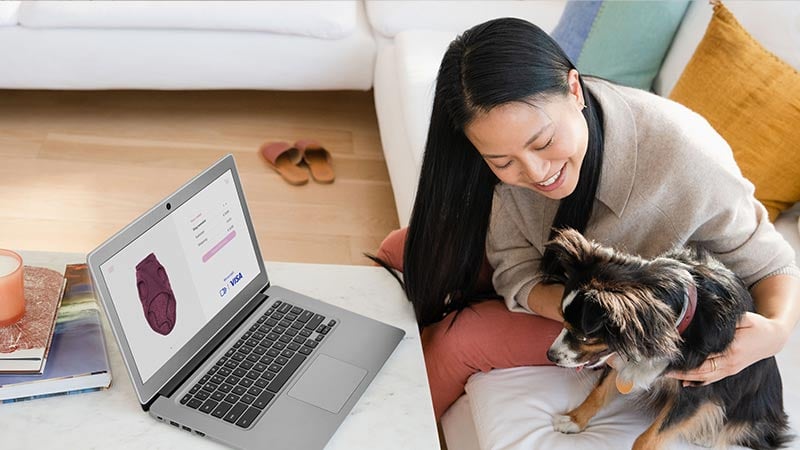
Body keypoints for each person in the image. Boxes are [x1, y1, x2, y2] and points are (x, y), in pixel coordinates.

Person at [374, 17, 800, 420]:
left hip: (616, 318)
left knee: (460, 340)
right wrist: (564, 300)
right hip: (562, 288)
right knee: (400, 249)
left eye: (543, 142)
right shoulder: (493, 152)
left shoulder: (686, 159)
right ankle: (337, 368)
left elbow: (771, 264)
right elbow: (515, 268)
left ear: (574, 90)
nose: (536, 173)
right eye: (502, 161)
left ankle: (385, 429)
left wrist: (776, 332)